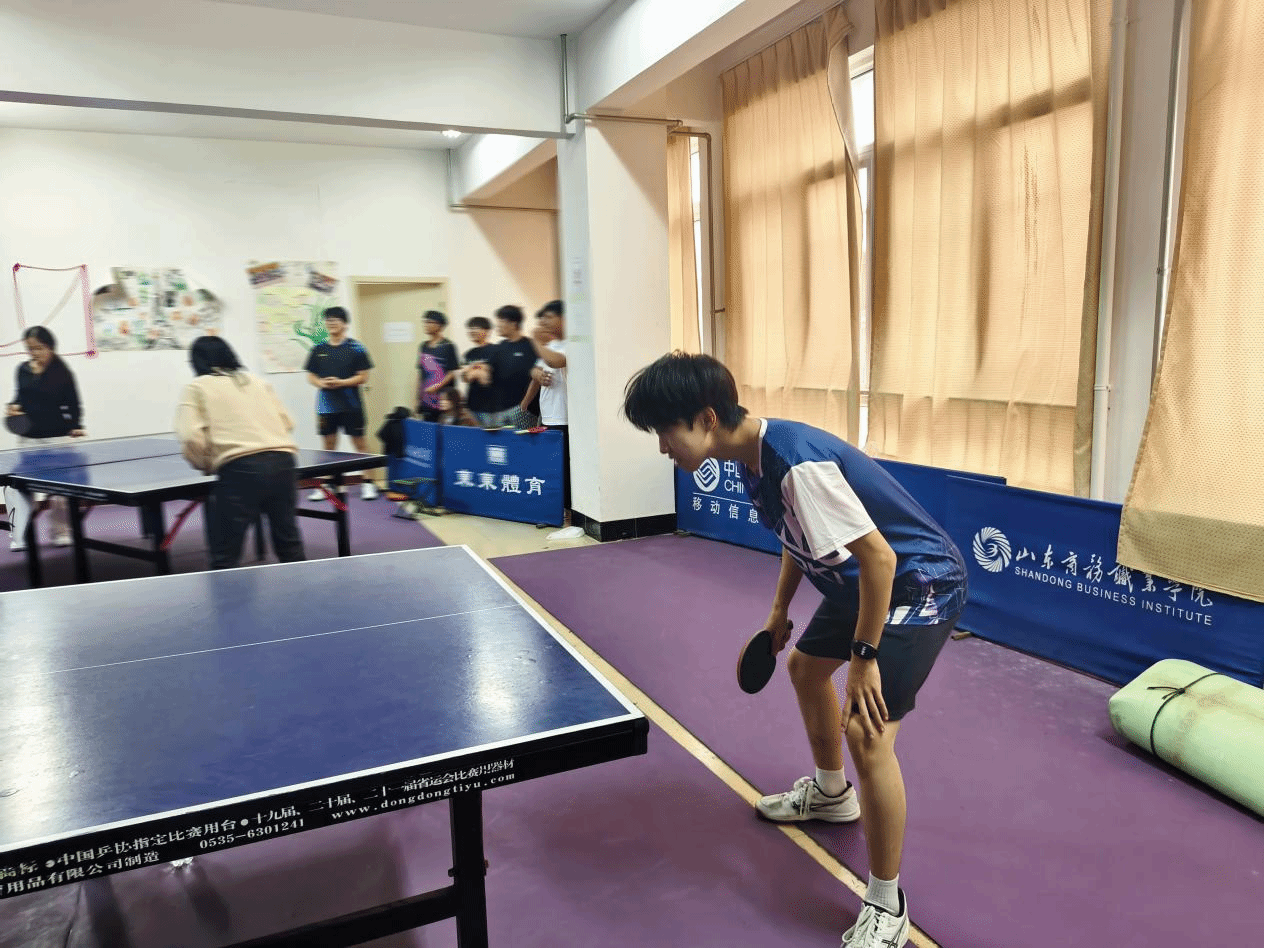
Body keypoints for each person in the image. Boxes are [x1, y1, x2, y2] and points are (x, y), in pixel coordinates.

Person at [621, 352, 968, 948]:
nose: (662, 447)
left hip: (918, 584)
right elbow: (795, 534)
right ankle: (832, 796)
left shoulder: (795, 464)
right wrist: (779, 609)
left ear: (706, 418)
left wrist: (864, 657)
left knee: (867, 731)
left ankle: (887, 902)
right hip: (859, 581)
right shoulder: (749, 459)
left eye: (665, 431)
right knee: (806, 669)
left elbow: (881, 558)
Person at [175, 336, 306, 570]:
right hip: (284, 463)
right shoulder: (258, 381)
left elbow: (190, 437)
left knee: (225, 552)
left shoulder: (197, 387)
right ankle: (303, 589)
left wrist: (205, 464)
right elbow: (288, 422)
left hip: (240, 469)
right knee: (289, 541)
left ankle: (225, 594)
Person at [4, 326, 86, 551]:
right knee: (16, 488)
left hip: (57, 439)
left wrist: (76, 425)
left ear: (50, 347)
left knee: (61, 490)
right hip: (29, 440)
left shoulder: (62, 372)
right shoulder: (22, 370)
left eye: (39, 348)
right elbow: (19, 397)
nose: (34, 353)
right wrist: (13, 407)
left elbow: (74, 403)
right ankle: (19, 535)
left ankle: (62, 531)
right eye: (30, 349)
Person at [302, 306, 378, 500]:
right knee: (328, 444)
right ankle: (327, 485)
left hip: (352, 405)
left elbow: (363, 376)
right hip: (326, 405)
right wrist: (320, 383)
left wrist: (342, 383)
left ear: (345, 324)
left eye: (335, 319)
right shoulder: (318, 349)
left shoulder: (356, 348)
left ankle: (368, 483)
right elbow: (311, 375)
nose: (331, 323)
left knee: (359, 443)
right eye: (328, 320)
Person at [527, 300, 582, 539]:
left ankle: (570, 517)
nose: (544, 322)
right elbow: (538, 368)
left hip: (565, 417)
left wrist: (536, 342)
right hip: (548, 416)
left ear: (563, 318)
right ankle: (555, 511)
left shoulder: (574, 344)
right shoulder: (552, 345)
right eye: (542, 319)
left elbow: (556, 361)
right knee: (552, 467)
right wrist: (536, 373)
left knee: (567, 470)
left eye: (549, 317)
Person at [483, 305, 539, 430]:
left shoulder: (531, 346)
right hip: (500, 410)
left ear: (513, 324)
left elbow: (537, 378)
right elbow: (489, 372)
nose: (498, 325)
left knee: (523, 441)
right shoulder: (500, 346)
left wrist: (524, 405)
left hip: (524, 410)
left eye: (501, 321)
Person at [416, 310, 460, 422]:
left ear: (439, 325)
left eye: (430, 322)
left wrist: (436, 387)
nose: (426, 325)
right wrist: (417, 399)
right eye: (425, 322)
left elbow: (452, 373)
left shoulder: (448, 346)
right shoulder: (423, 346)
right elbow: (420, 374)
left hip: (444, 401)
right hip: (426, 400)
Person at [461, 316, 498, 427]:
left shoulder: (496, 350)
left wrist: (472, 369)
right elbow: (464, 377)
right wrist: (480, 369)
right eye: (470, 328)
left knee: (491, 435)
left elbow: (487, 378)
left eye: (476, 328)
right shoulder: (469, 354)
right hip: (472, 405)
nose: (472, 331)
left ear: (487, 331)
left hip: (491, 407)